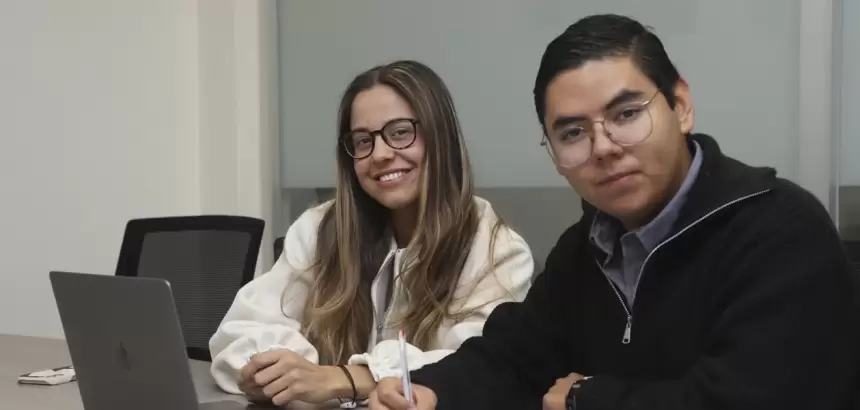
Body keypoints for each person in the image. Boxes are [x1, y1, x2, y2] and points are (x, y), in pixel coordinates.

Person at [370, 14, 859, 410]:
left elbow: (753, 398)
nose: (603, 147)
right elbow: (513, 357)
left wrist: (587, 398)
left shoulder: (781, 230)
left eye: (626, 114)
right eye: (573, 133)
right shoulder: (585, 250)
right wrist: (432, 391)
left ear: (680, 107)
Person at [208, 60, 535, 407]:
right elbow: (241, 332)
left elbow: (481, 367)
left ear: (441, 138)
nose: (379, 154)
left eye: (400, 132)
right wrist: (284, 373)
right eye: (363, 140)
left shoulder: (497, 248)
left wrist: (346, 378)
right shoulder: (321, 228)